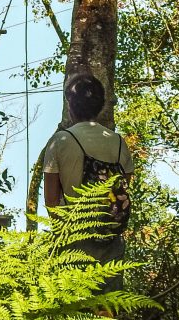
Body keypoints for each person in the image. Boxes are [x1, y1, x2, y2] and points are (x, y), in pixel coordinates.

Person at [43, 73, 134, 293]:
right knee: (107, 304)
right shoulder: (117, 141)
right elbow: (125, 183)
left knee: (76, 305)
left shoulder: (61, 141)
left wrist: (61, 235)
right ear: (101, 105)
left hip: (74, 235)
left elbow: (51, 200)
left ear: (70, 105)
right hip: (111, 234)